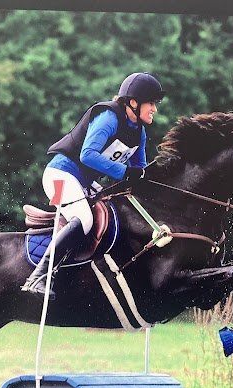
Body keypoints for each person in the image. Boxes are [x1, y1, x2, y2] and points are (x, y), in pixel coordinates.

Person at [21, 72, 165, 299]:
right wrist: (126, 172)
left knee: (116, 212)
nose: (154, 109)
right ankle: (38, 277)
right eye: (151, 103)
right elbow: (88, 155)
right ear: (134, 103)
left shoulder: (139, 132)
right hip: (61, 174)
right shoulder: (109, 117)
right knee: (85, 219)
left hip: (84, 182)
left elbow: (141, 171)